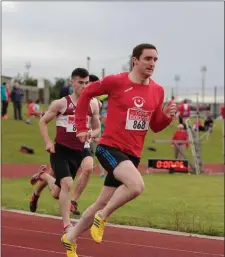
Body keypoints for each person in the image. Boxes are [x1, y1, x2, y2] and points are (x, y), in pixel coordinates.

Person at [61, 43, 177, 257]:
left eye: (155, 60)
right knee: (136, 185)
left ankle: (69, 238)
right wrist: (81, 126)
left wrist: (168, 116)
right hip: (109, 148)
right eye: (148, 59)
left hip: (133, 154)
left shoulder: (158, 90)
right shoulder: (117, 81)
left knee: (101, 201)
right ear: (135, 60)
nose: (152, 63)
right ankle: (102, 217)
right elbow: (86, 94)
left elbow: (155, 125)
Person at [29, 68, 101, 233]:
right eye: (80, 82)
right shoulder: (61, 103)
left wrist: (90, 133)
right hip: (61, 151)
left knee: (59, 191)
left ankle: (44, 176)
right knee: (65, 185)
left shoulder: (93, 104)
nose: (84, 86)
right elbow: (42, 122)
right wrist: (48, 142)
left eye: (86, 82)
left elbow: (97, 129)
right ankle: (67, 225)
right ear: (72, 82)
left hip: (80, 150)